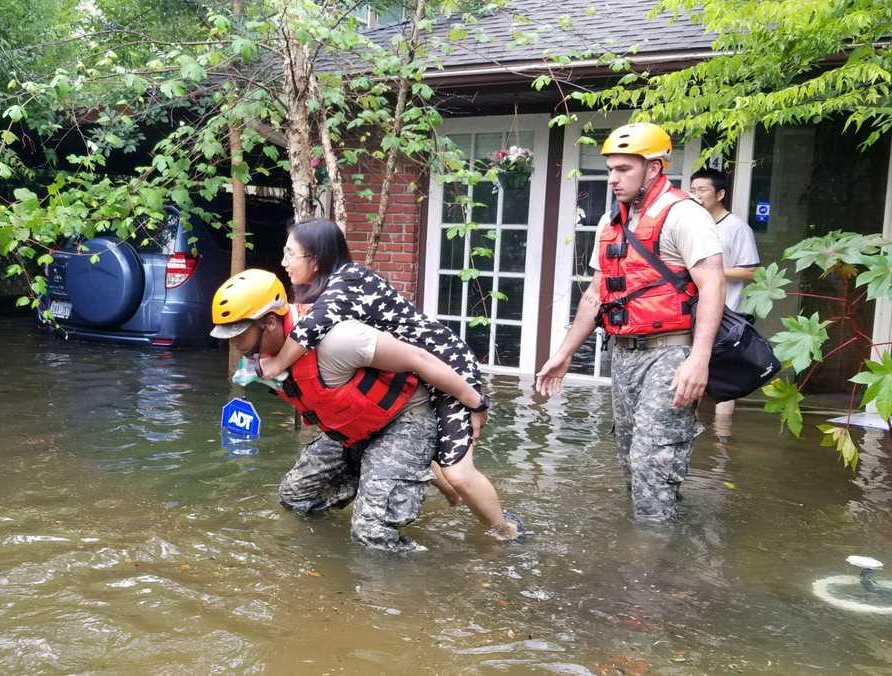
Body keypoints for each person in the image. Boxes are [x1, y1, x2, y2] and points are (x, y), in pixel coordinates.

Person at [255, 219, 520, 540]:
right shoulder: (332, 286)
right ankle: (446, 490)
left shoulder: (347, 282)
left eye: (290, 253)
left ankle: (507, 533)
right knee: (423, 449)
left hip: (446, 364)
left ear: (317, 258)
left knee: (459, 472)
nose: (283, 262)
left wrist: (477, 402)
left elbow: (307, 332)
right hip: (420, 370)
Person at [210, 269, 506, 551]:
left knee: (371, 533)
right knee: (295, 498)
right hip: (353, 432)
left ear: (270, 322)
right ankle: (408, 475)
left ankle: (435, 568)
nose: (235, 345)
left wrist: (476, 403)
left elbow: (420, 359)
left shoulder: (338, 340)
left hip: (404, 420)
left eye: (239, 335)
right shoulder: (262, 361)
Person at [535, 122, 726, 522]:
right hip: (623, 355)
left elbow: (713, 286)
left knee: (654, 461)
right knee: (629, 459)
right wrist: (564, 354)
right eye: (610, 169)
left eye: (624, 169)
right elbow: (596, 293)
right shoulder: (611, 224)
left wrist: (699, 360)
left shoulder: (683, 216)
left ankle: (657, 565)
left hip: (671, 353)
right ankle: (648, 553)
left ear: (654, 168)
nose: (613, 178)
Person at [688, 167, 761, 436]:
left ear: (720, 194)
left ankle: (722, 441)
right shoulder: (692, 226)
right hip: (694, 311)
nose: (695, 195)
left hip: (730, 312)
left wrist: (713, 271)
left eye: (702, 190)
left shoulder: (737, 228)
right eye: (692, 190)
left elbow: (751, 271)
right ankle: (689, 430)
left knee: (726, 377)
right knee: (691, 368)